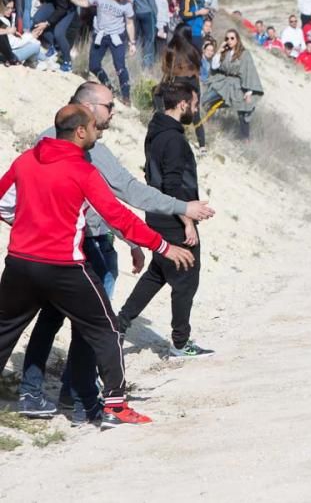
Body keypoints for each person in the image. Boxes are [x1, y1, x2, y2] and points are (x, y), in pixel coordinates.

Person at [2, 83, 214, 422]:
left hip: (37, 254)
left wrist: (33, 227)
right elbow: (122, 197)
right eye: (109, 106)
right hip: (77, 252)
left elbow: (14, 200)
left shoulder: (41, 147)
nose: (113, 112)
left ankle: (48, 393)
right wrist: (177, 216)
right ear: (86, 112)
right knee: (97, 326)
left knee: (45, 322)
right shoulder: (82, 150)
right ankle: (93, 397)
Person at [118, 81, 214, 360]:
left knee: (158, 272)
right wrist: (187, 221)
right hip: (173, 218)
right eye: (194, 105)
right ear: (182, 104)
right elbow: (172, 186)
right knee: (186, 280)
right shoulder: (173, 139)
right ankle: (180, 344)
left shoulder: (157, 131)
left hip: (157, 215)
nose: (196, 110)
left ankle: (120, 323)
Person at [71, 0, 137, 107]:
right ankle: (108, 87)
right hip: (100, 35)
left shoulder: (127, 4)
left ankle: (126, 96)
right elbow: (86, 3)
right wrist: (73, 0)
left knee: (120, 67)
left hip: (116, 36)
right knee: (94, 66)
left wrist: (132, 43)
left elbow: (129, 23)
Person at [203, 32, 264, 140]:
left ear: (237, 39)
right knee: (207, 99)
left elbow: (249, 72)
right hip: (223, 82)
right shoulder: (225, 52)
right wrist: (219, 51)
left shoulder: (245, 54)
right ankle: (203, 123)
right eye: (227, 38)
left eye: (232, 38)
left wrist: (249, 92)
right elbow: (214, 66)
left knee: (244, 110)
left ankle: (245, 138)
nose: (229, 40)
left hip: (238, 85)